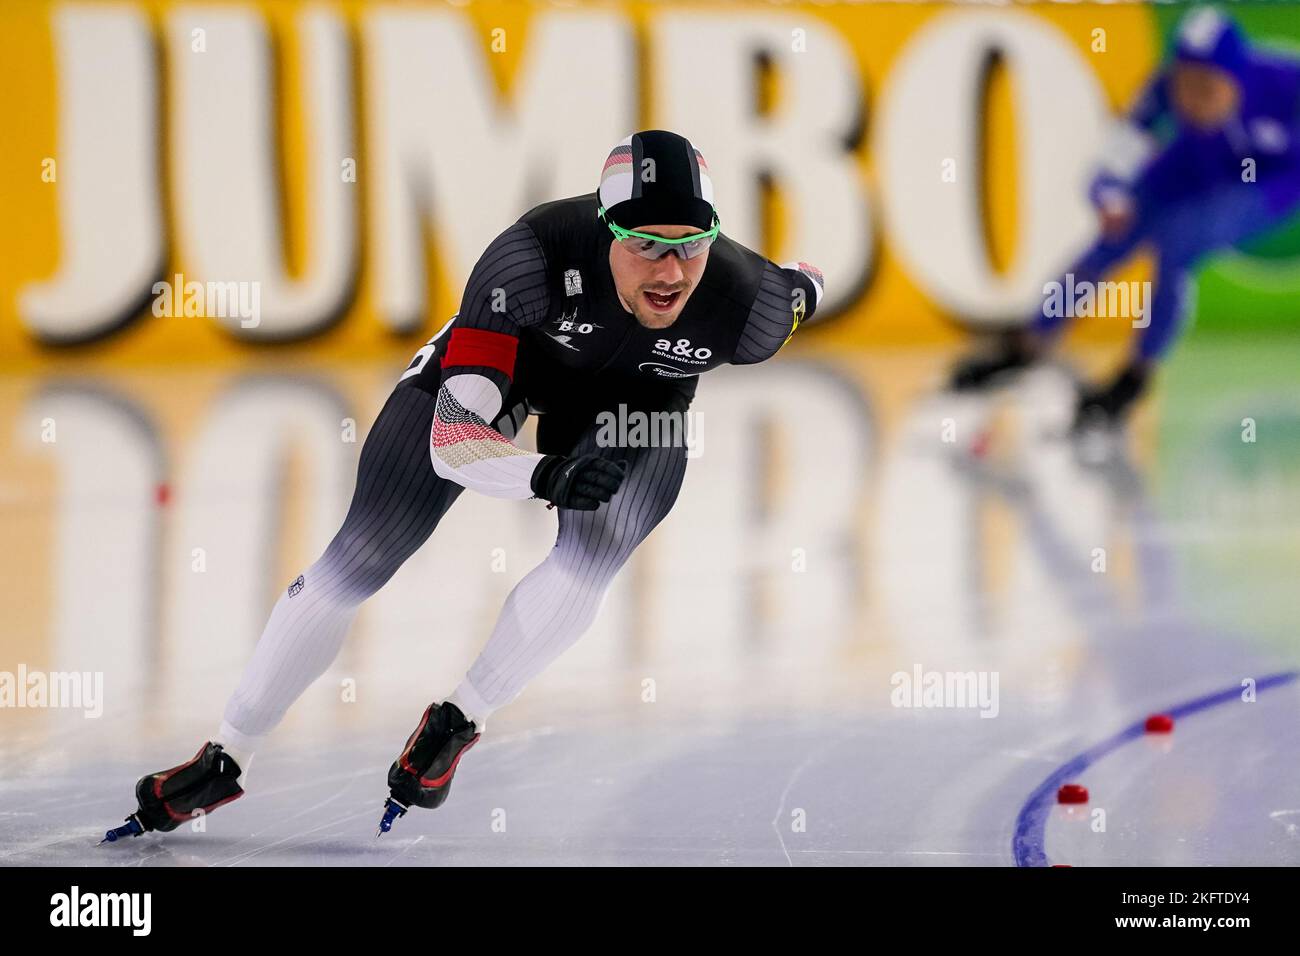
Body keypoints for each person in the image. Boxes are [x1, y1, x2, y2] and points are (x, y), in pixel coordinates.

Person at [103, 130, 824, 841]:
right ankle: (228, 753)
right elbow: (454, 445)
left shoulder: (749, 309)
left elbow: (803, 284)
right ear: (605, 230)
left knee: (593, 555)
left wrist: (804, 281)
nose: (669, 272)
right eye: (643, 244)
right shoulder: (529, 261)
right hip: (509, 369)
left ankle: (458, 721)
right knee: (362, 552)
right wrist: (543, 473)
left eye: (688, 245)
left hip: (639, 402)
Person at [951, 8, 1300, 429]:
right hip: (1191, 168)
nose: (1193, 99)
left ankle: (1136, 374)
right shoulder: (1165, 88)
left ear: (1238, 77)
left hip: (1267, 184)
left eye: (1208, 88)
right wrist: (1108, 191)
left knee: (1178, 245)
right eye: (1185, 85)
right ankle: (1030, 342)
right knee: (1108, 242)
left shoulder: (1284, 85)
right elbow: (1126, 139)